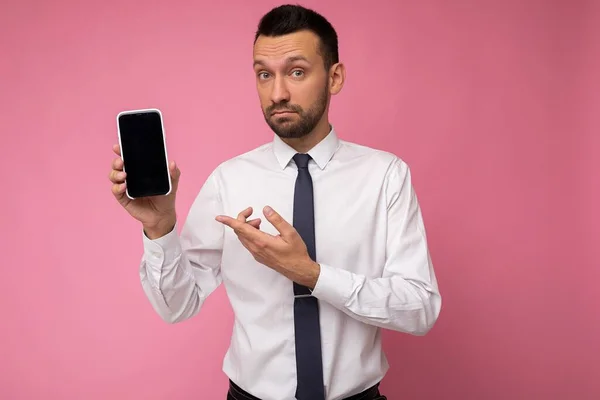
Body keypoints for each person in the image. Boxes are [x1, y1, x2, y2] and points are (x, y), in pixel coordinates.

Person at [108, 4, 441, 400]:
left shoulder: (385, 176)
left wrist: (312, 274)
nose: (278, 92)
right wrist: (160, 229)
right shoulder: (229, 180)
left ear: (334, 77)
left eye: (296, 72)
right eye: (264, 74)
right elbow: (177, 306)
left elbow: (420, 309)